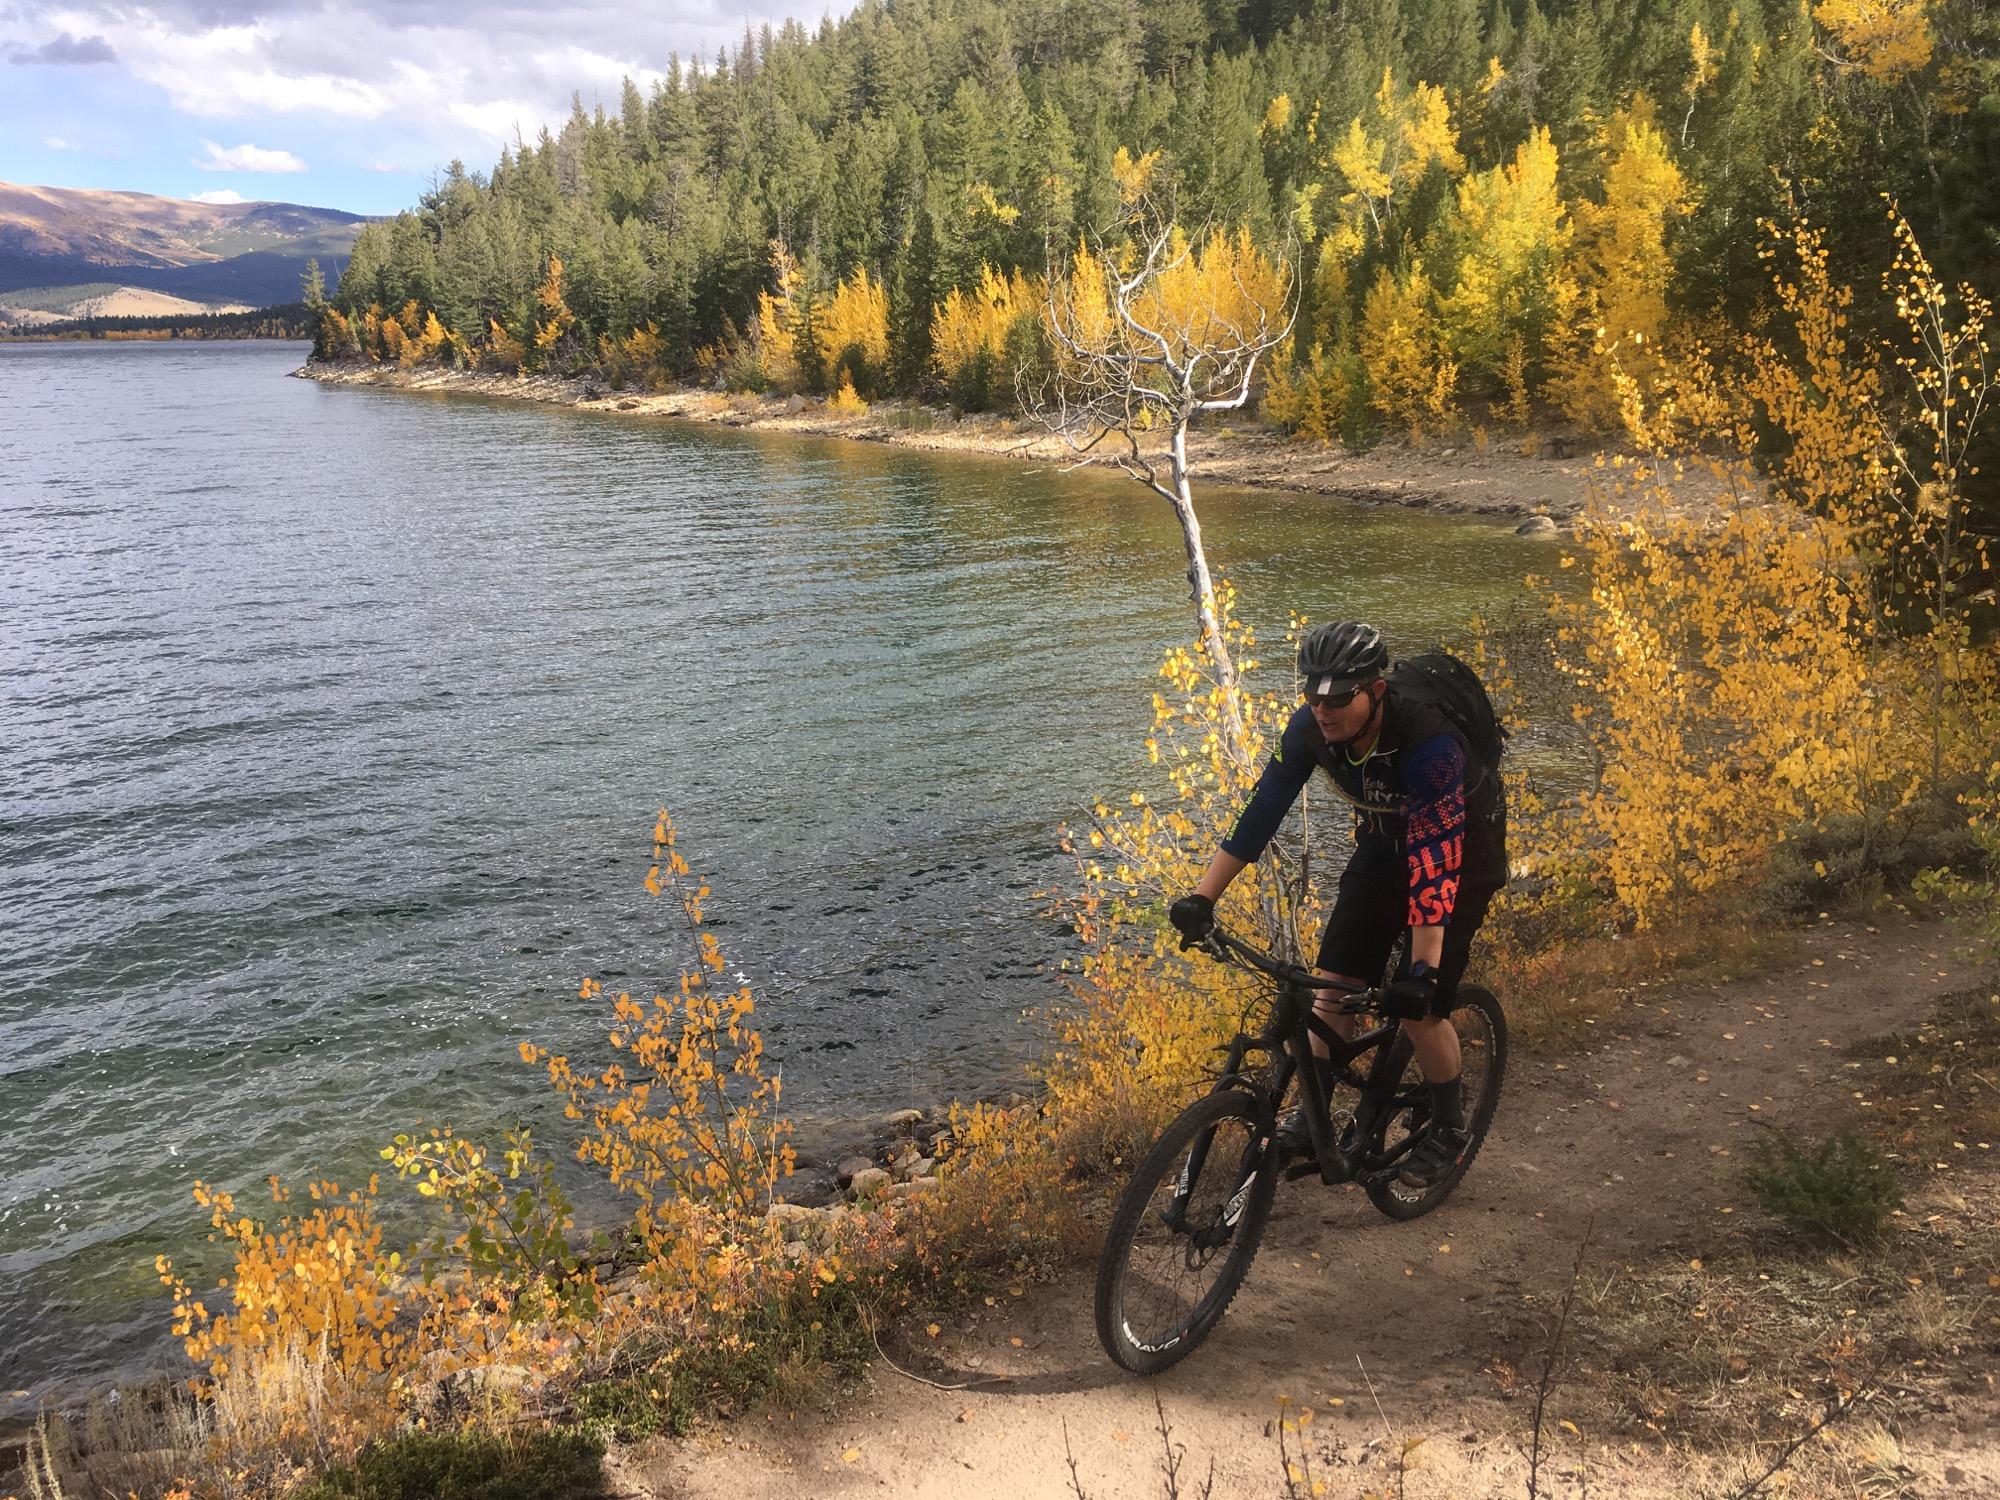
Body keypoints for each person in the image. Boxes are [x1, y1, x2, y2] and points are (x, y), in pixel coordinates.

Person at [1168, 621, 1507, 1188]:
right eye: (1312, 695)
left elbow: (1435, 866)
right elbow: (1261, 811)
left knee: (1419, 1011)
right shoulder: (1311, 730)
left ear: (1375, 691)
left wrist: (1421, 971)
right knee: (1332, 989)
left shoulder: (1431, 747)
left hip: (1462, 856)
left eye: (1338, 698)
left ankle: (1449, 1130)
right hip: (1384, 843)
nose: (1322, 710)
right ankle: (1316, 1116)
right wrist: (1203, 897)